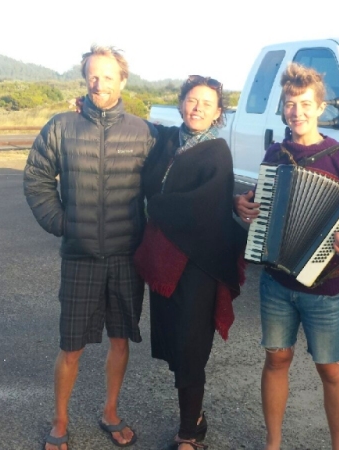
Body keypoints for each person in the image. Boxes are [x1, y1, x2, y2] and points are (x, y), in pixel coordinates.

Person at [234, 63, 339, 450]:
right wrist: (244, 207)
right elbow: (259, 207)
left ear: (319, 108)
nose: (296, 111)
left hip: (327, 285)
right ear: (283, 109)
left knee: (331, 369)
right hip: (277, 282)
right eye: (290, 104)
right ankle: (274, 443)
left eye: (304, 104)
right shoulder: (275, 153)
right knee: (277, 360)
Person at [23, 45, 157, 450]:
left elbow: (168, 186)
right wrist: (63, 223)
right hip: (79, 257)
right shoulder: (61, 126)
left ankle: (110, 412)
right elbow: (37, 179)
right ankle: (59, 420)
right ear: (85, 80)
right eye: (93, 76)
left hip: (125, 257)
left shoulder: (144, 132)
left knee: (120, 341)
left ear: (123, 80)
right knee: (71, 347)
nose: (100, 84)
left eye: (108, 76)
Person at [134, 75, 245, 450]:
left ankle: (189, 433)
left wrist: (154, 206)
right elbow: (135, 130)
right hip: (165, 260)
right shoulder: (166, 140)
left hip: (199, 265)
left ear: (218, 113)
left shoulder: (216, 152)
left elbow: (204, 205)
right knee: (174, 344)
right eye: (191, 100)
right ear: (181, 102)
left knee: (191, 346)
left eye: (206, 103)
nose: (197, 108)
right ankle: (193, 417)